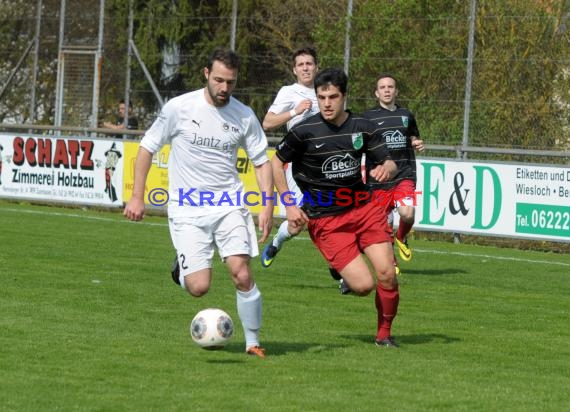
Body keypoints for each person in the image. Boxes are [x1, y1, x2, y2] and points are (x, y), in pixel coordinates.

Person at [123, 48, 274, 358]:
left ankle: (253, 341)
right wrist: (138, 195)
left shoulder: (244, 115)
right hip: (187, 207)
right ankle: (183, 269)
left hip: (229, 204)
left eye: (230, 82)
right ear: (206, 74)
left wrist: (268, 205)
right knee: (198, 287)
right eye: (218, 80)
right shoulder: (179, 108)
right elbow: (147, 148)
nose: (224, 88)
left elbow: (261, 162)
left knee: (242, 273)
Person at [271, 67, 401, 347]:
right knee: (364, 286)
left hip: (364, 209)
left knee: (387, 274)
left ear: (344, 96)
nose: (327, 103)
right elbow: (275, 162)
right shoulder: (305, 131)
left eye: (333, 97)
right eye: (322, 97)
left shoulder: (363, 126)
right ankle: (342, 268)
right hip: (326, 219)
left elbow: (389, 161)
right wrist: (290, 205)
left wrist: (386, 169)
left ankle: (384, 335)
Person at [260, 47, 319, 268]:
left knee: (328, 219)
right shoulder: (289, 92)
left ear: (316, 67)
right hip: (299, 164)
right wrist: (295, 112)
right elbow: (267, 122)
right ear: (294, 70)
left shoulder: (325, 91)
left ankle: (342, 273)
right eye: (301, 64)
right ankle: (277, 242)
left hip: (325, 165)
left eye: (309, 63)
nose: (305, 67)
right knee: (297, 223)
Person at [362, 73, 424, 271]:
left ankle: (402, 236)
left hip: (404, 174)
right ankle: (390, 260)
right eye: (383, 87)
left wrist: (416, 142)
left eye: (390, 87)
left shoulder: (406, 115)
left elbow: (413, 135)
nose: (387, 90)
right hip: (378, 179)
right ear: (376, 93)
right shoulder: (367, 118)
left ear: (396, 91)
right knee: (382, 225)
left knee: (407, 214)